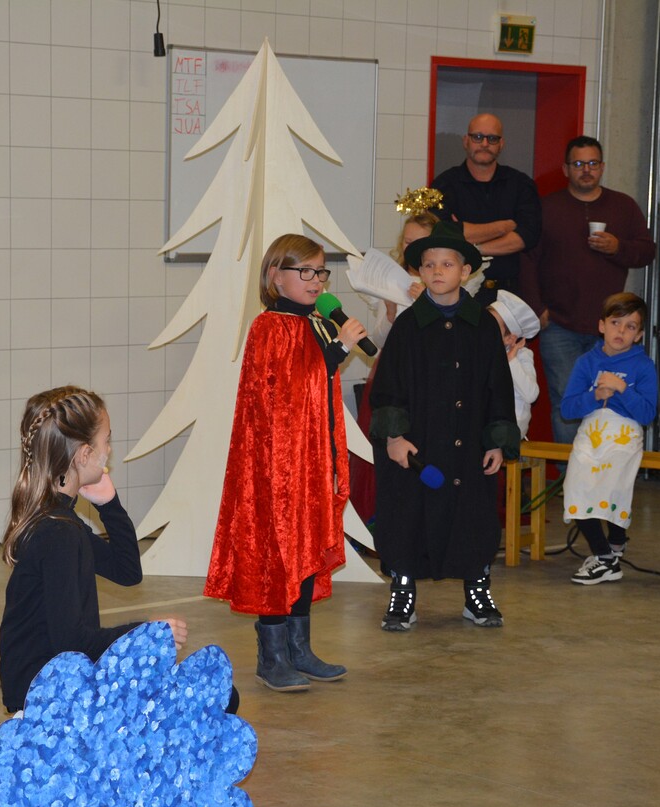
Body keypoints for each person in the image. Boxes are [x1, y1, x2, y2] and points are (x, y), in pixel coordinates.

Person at [205, 233, 367, 691]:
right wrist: (339, 350)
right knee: (277, 555)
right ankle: (272, 656)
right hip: (277, 466)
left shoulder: (314, 322)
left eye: (321, 272)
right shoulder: (269, 327)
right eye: (306, 271)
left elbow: (318, 391)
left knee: (305, 550)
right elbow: (285, 395)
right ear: (276, 276)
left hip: (311, 459)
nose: (317, 281)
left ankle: (300, 649)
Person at [0, 386, 194, 714]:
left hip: (60, 681)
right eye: (107, 441)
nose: (110, 451)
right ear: (84, 455)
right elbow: (73, 642)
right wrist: (144, 634)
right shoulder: (58, 533)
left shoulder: (59, 520)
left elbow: (127, 571)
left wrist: (109, 504)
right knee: (201, 696)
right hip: (49, 694)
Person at [370, 221, 520, 631]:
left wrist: (496, 440)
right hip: (418, 447)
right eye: (429, 264)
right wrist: (394, 436)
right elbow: (388, 387)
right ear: (420, 271)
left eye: (447, 264)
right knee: (408, 518)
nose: (437, 271)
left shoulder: (482, 326)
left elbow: (498, 387)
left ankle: (477, 590)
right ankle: (403, 591)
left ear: (465, 271)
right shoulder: (407, 327)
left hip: (468, 446)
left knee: (472, 517)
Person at [521, 135, 656, 444]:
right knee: (567, 402)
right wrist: (537, 308)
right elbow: (527, 260)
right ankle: (571, 471)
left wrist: (618, 247)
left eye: (593, 163)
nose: (586, 170)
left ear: (602, 167)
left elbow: (647, 251)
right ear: (566, 169)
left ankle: (604, 467)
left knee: (613, 399)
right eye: (579, 164)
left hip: (612, 328)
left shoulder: (623, 206)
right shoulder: (546, 207)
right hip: (559, 325)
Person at [560, 293, 658, 585]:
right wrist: (594, 396)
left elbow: (647, 413)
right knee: (576, 489)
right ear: (602, 325)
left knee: (614, 490)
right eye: (616, 323)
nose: (621, 331)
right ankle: (605, 557)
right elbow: (567, 408)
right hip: (590, 435)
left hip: (623, 436)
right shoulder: (586, 362)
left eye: (630, 326)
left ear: (639, 335)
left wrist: (622, 389)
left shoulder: (643, 366)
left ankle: (614, 545)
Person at [346, 208, 437, 524]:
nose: (411, 248)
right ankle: (378, 517)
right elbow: (380, 340)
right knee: (384, 441)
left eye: (419, 242)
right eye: (407, 241)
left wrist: (427, 301)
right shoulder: (395, 278)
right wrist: (388, 312)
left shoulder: (442, 281)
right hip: (393, 370)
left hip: (428, 375)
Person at [431, 113, 542, 306]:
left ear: (501, 144)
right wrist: (504, 227)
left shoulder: (521, 185)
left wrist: (473, 247)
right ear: (466, 141)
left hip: (509, 295)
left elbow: (527, 236)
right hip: (457, 295)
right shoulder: (443, 186)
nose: (484, 144)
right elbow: (444, 234)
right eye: (477, 137)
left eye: (492, 138)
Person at [487, 290, 540, 438]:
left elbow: (531, 394)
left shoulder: (522, 356)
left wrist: (510, 360)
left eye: (492, 326)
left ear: (510, 339)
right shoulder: (480, 351)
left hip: (509, 428)